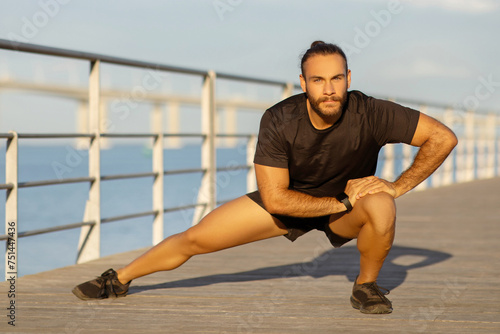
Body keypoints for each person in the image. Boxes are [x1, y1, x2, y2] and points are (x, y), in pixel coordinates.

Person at [72, 41, 458, 314]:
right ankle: (118, 279)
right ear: (303, 83)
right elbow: (275, 200)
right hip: (293, 201)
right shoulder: (279, 119)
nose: (329, 89)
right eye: (319, 80)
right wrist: (339, 200)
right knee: (195, 238)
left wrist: (397, 185)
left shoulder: (370, 111)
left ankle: (366, 286)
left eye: (337, 79)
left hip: (347, 210)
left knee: (382, 204)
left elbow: (442, 137)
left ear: (348, 78)